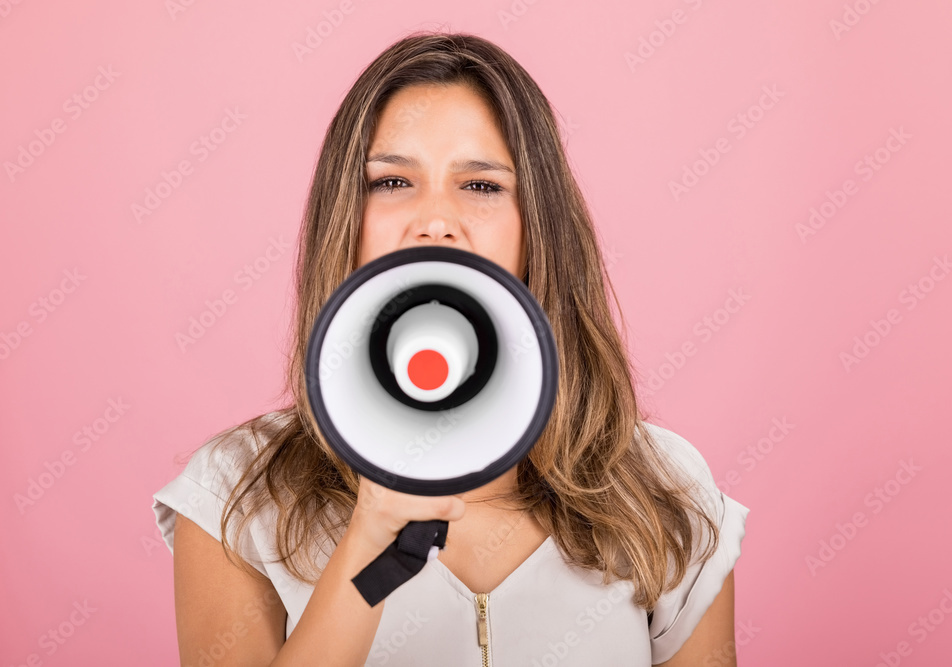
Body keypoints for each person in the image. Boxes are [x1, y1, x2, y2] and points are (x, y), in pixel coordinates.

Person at [152, 31, 749, 666]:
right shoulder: (235, 494)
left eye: (482, 186)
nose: (435, 221)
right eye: (391, 181)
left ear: (537, 226)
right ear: (346, 219)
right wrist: (367, 553)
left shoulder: (660, 488)